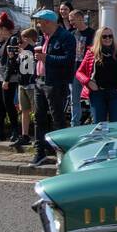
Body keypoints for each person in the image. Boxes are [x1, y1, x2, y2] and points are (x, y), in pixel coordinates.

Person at [29, 10, 76, 167]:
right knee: (38, 118)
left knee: (58, 119)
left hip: (56, 83)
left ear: (49, 22)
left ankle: (62, 154)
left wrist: (46, 58)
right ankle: (40, 153)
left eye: (40, 22)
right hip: (40, 81)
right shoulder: (44, 37)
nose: (38, 25)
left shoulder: (66, 37)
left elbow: (69, 60)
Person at [76, 25, 117, 124]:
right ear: (99, 38)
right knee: (99, 124)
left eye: (110, 36)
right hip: (98, 93)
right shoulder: (91, 52)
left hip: (115, 93)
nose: (108, 39)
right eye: (104, 36)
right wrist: (88, 82)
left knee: (116, 124)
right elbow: (79, 72)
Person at [0, 14, 21, 144]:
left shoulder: (13, 40)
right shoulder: (2, 42)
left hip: (8, 77)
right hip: (0, 76)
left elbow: (12, 61)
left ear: (4, 29)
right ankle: (0, 130)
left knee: (8, 104)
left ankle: (15, 131)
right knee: (0, 104)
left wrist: (7, 80)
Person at [13, 27, 38, 149]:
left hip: (31, 83)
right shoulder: (22, 50)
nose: (20, 41)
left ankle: (38, 135)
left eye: (23, 38)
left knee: (36, 110)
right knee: (24, 110)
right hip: (22, 83)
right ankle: (25, 135)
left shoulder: (34, 50)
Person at [67, 10, 94, 125]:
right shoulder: (72, 34)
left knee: (92, 98)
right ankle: (75, 124)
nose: (70, 22)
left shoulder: (93, 33)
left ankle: (94, 121)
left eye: (72, 19)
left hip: (89, 71)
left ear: (79, 18)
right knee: (74, 100)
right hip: (75, 71)